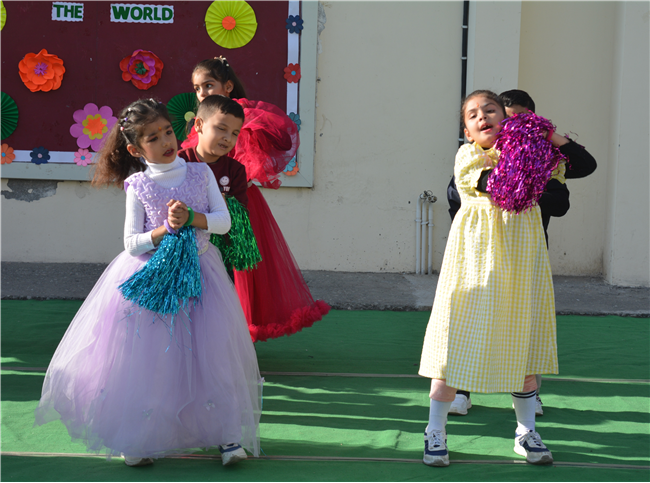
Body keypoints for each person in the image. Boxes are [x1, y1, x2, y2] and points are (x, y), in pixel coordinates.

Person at [34, 99, 261, 467]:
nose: (166, 141)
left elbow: (224, 222)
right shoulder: (138, 185)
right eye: (153, 138)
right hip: (154, 281)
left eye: (168, 132)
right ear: (135, 149)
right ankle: (140, 437)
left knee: (213, 355)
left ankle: (226, 436)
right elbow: (131, 243)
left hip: (202, 277)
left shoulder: (200, 173)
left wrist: (192, 217)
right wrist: (164, 229)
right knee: (152, 362)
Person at [420, 90, 558, 467]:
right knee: (452, 351)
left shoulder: (532, 153)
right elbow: (499, 184)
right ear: (467, 132)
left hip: (520, 269)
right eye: (473, 115)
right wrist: (530, 152)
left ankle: (525, 432)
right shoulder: (469, 157)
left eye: (491, 110)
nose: (483, 117)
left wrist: (546, 135)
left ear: (506, 119)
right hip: (474, 268)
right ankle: (435, 430)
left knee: (523, 354)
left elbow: (583, 163)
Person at [447, 89, 597, 417]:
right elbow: (457, 195)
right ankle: (461, 389)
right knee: (473, 318)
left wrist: (546, 142)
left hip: (527, 252)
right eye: (506, 118)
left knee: (525, 326)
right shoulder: (475, 154)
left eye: (522, 120)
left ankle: (529, 397)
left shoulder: (543, 157)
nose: (510, 125)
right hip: (482, 254)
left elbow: (577, 178)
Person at [184, 57, 330, 342]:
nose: (202, 93)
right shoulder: (202, 123)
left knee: (238, 269)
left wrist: (251, 119)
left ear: (228, 86)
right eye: (197, 88)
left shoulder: (241, 116)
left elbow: (277, 142)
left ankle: (234, 339)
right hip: (204, 206)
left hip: (237, 203)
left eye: (209, 85)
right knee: (206, 269)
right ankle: (206, 335)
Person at [178, 95, 252, 282]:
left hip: (219, 253)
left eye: (234, 133)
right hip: (180, 248)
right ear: (199, 125)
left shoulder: (235, 170)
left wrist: (221, 203)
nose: (228, 138)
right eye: (221, 128)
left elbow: (239, 212)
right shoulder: (179, 162)